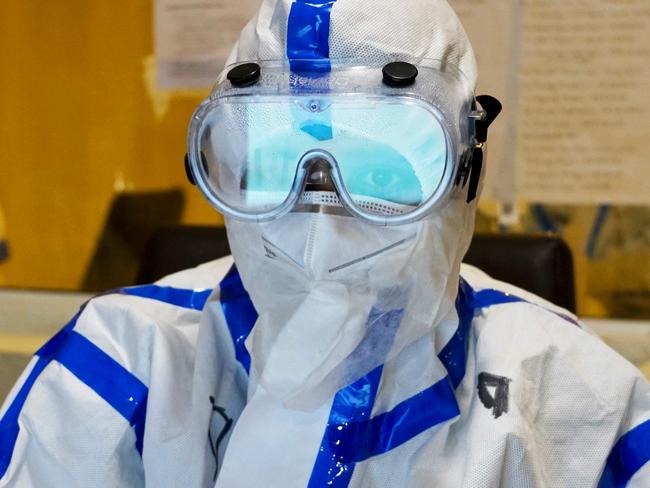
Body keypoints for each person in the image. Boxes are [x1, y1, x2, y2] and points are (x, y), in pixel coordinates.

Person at [1, 0, 649, 486]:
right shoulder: (122, 362)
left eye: (377, 173)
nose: (321, 220)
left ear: (464, 172)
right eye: (280, 164)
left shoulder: (572, 392)